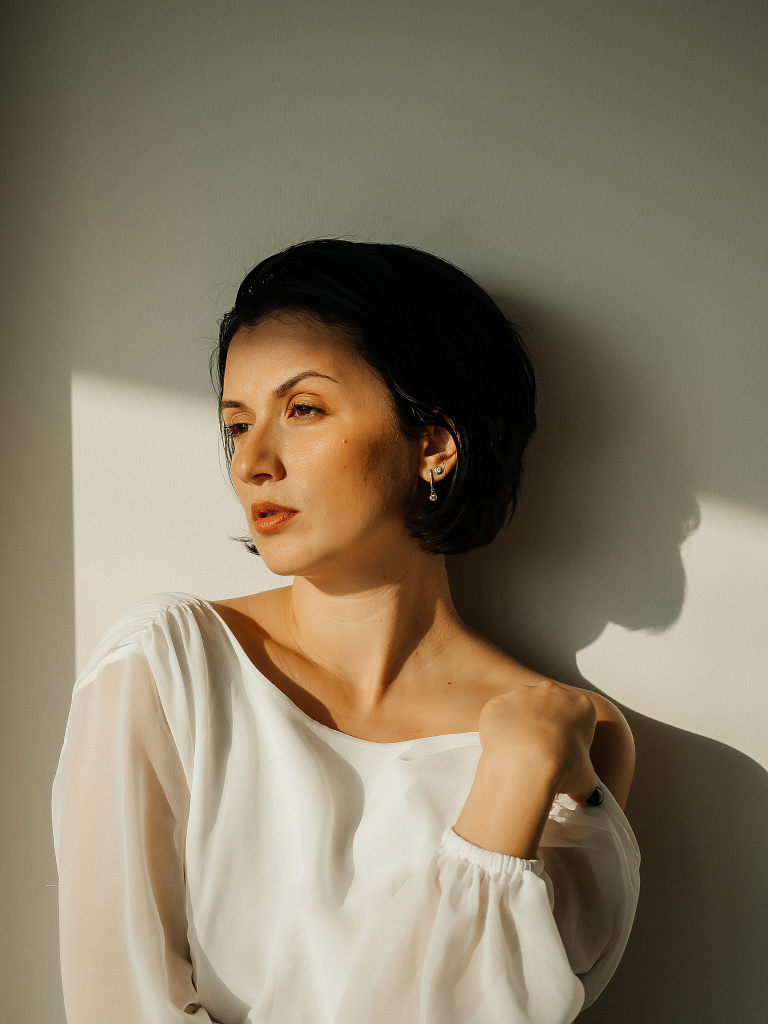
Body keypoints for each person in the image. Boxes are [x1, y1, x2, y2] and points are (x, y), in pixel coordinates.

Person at [52, 238, 640, 1024]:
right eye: (237, 424)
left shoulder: (572, 738)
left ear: (434, 443)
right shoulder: (165, 667)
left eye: (302, 409)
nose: (252, 462)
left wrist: (519, 779)